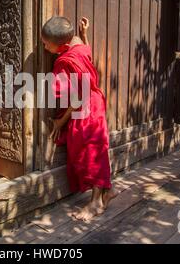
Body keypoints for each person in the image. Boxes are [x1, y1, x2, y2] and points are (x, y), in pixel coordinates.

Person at [42, 16, 119, 222]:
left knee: (89, 153)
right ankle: (107, 192)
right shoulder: (78, 48)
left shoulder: (63, 62)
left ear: (63, 45)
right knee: (97, 148)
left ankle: (95, 203)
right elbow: (87, 51)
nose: (44, 46)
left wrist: (60, 121)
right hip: (95, 103)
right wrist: (84, 34)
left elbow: (77, 97)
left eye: (46, 44)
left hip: (84, 109)